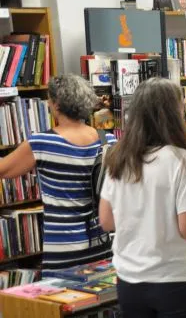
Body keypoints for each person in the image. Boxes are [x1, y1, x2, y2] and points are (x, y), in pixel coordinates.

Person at [98, 78, 186, 318]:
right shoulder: (181, 161)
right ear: (173, 114)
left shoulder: (118, 159)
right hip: (175, 280)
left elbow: (106, 221)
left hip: (131, 281)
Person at [0, 74, 115, 271]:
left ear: (56, 105)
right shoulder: (109, 140)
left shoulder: (43, 143)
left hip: (64, 246)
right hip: (102, 243)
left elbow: (4, 169)